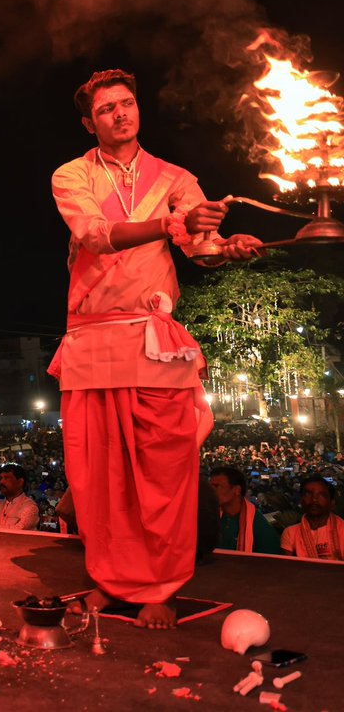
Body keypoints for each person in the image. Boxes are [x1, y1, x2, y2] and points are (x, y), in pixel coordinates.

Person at [49, 70, 264, 628]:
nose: (120, 114)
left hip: (152, 336)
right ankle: (108, 578)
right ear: (88, 123)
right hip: (92, 336)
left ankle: (160, 588)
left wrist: (227, 248)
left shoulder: (177, 177)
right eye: (106, 110)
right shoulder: (71, 175)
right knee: (96, 474)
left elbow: (202, 249)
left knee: (163, 471)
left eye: (127, 104)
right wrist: (174, 224)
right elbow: (95, 236)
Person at [208, 465, 280, 554]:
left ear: (237, 490)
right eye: (209, 487)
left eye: (216, 486)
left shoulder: (258, 526)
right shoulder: (209, 518)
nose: (210, 491)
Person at [280, 476, 344, 560]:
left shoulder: (342, 529)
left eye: (321, 495)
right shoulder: (290, 533)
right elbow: (288, 568)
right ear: (301, 500)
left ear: (332, 502)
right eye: (308, 494)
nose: (314, 499)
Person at [0, 463, 40, 531]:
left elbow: (17, 532)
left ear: (20, 482)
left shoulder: (30, 507)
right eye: (1, 478)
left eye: (7, 478)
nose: (1, 482)